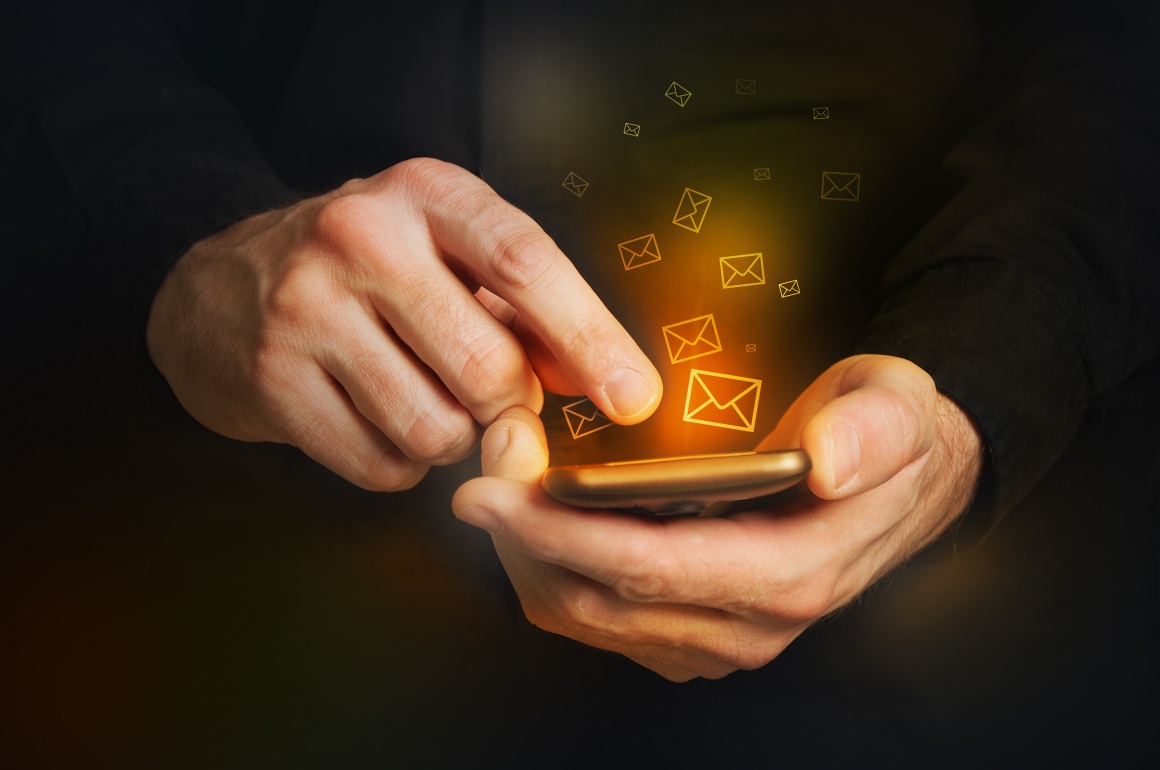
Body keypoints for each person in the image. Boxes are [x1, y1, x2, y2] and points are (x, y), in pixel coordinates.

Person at [3, 0, 1158, 762]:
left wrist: (969, 396)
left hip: (953, 651)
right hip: (213, 596)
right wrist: (182, 233)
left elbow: (1119, 57)